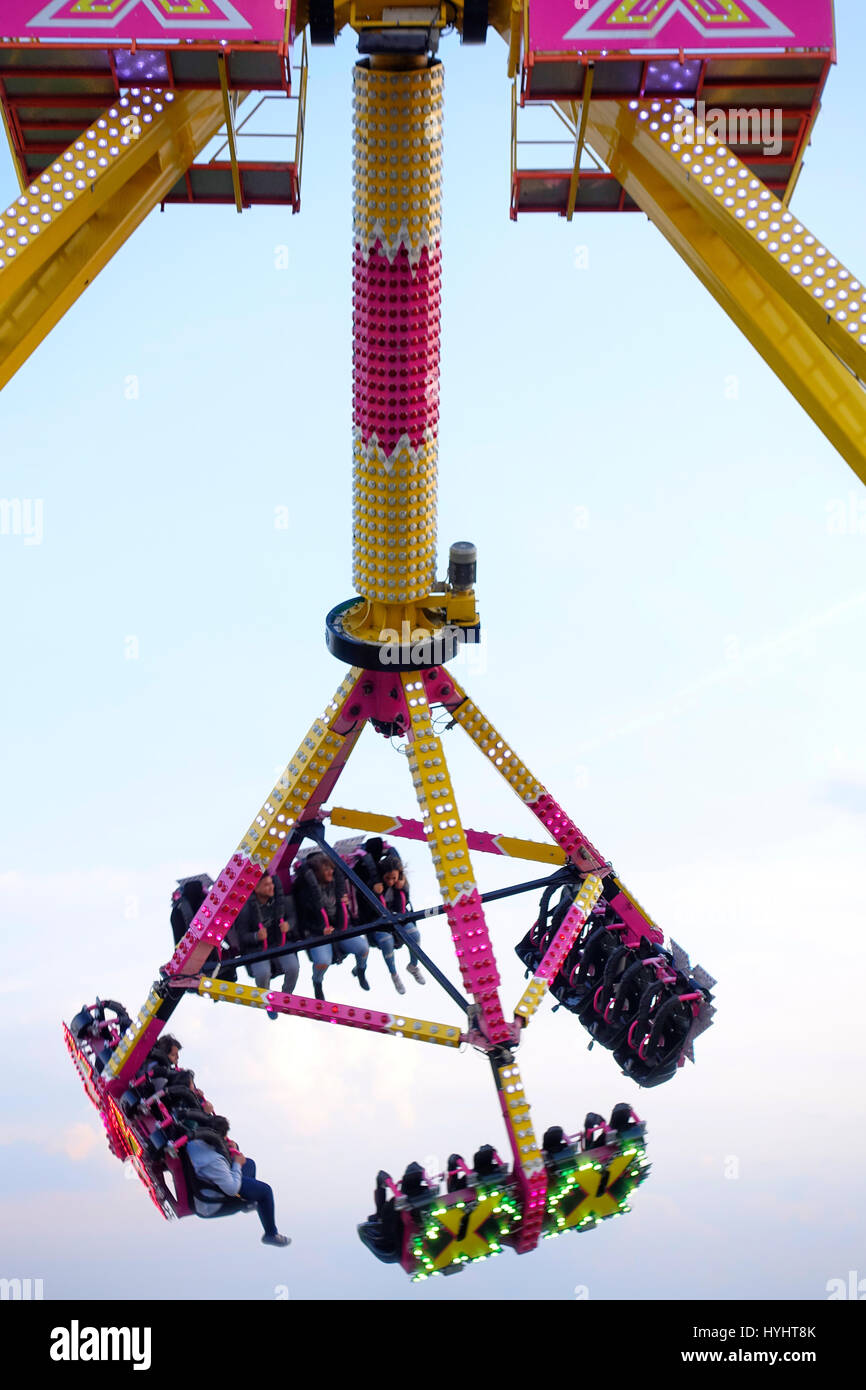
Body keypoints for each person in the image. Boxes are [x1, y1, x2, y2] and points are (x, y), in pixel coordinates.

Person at [185, 1116, 290, 1247]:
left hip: (207, 1180)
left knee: (249, 1164)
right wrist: (237, 1164)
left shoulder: (194, 1143)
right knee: (265, 1191)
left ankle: (249, 1202)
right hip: (212, 1204)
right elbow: (232, 1188)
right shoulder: (214, 1161)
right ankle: (270, 1234)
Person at [293, 851, 370, 1001]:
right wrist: (321, 929)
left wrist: (344, 907)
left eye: (331, 868)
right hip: (317, 932)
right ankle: (317, 982)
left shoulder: (335, 885)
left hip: (339, 928)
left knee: (363, 948)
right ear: (317, 873)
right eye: (326, 869)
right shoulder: (304, 893)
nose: (331, 871)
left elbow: (341, 908)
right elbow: (303, 921)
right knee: (323, 961)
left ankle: (360, 970)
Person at [359, 849, 426, 996]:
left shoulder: (401, 884)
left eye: (393, 878)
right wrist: (374, 893)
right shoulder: (374, 884)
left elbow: (394, 853)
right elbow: (365, 910)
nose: (390, 882)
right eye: (388, 878)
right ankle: (394, 974)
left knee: (414, 935)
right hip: (379, 922)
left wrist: (402, 884)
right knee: (386, 941)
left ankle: (413, 966)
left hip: (398, 917)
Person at [234, 872, 299, 1019]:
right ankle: (268, 1000)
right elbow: (242, 936)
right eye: (267, 885)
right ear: (256, 889)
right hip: (257, 948)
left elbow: (293, 917)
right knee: (263, 973)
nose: (272, 887)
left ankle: (285, 997)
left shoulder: (279, 901)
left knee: (293, 967)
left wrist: (288, 925)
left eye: (272, 883)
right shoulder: (246, 910)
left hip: (278, 942)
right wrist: (256, 936)